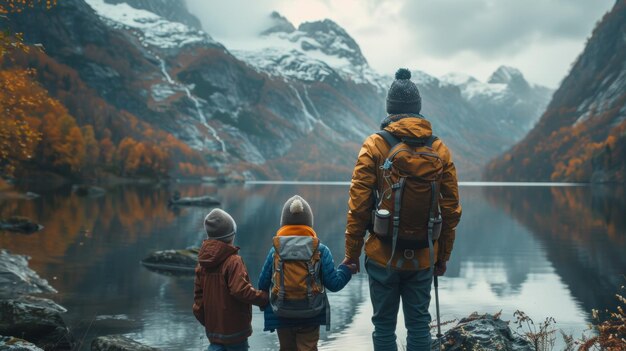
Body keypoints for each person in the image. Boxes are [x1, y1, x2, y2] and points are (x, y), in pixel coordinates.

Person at [342, 68, 462, 351]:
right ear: (417, 109)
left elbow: (358, 206)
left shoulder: (375, 145)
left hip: (382, 255)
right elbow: (452, 210)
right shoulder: (439, 149)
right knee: (419, 324)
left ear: (390, 108)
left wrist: (351, 254)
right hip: (423, 255)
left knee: (383, 325)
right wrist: (441, 256)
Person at [258, 195, 356, 351]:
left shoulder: (275, 251)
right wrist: (346, 270)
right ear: (309, 223)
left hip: (282, 313)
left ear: (283, 223)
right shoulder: (320, 250)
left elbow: (262, 284)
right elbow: (334, 284)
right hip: (311, 314)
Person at [193, 208, 269, 351]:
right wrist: (264, 298)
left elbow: (198, 299)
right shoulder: (233, 261)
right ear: (231, 236)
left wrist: (207, 320)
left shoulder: (202, 264)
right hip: (236, 330)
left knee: (215, 347)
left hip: (213, 329)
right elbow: (241, 290)